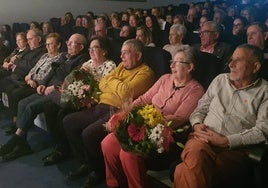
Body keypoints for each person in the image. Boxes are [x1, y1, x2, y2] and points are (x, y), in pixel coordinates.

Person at [101, 45, 205, 188]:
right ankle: (115, 184)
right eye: (171, 62)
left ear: (190, 67)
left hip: (164, 134)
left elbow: (178, 119)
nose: (172, 65)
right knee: (107, 143)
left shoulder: (196, 90)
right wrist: (125, 113)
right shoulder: (165, 79)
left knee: (128, 154)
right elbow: (144, 99)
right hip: (142, 125)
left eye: (177, 62)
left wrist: (146, 121)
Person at [173, 44, 268, 188]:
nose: (230, 64)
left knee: (182, 170)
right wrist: (197, 124)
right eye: (231, 60)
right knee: (197, 152)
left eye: (238, 60)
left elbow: (262, 131)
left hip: (234, 150)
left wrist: (226, 141)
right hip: (202, 138)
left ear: (255, 67)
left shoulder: (264, 91)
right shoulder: (220, 80)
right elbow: (200, 108)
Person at [63, 39, 155, 187]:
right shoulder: (121, 67)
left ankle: (97, 171)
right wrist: (115, 83)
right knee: (69, 121)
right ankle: (86, 163)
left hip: (117, 110)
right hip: (100, 105)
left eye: (126, 53)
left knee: (89, 134)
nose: (121, 57)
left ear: (138, 55)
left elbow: (126, 93)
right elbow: (102, 83)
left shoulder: (146, 72)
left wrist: (112, 81)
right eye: (121, 53)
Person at [0, 33, 89, 162]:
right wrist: (42, 84)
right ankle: (21, 143)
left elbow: (72, 79)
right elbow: (52, 71)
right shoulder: (66, 56)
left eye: (72, 43)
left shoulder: (82, 60)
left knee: (30, 107)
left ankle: (17, 140)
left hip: (58, 91)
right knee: (22, 103)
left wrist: (53, 87)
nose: (68, 45)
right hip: (47, 87)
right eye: (68, 42)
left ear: (81, 47)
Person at [42, 36, 116, 166]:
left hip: (94, 100)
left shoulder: (110, 65)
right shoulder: (88, 63)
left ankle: (73, 154)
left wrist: (89, 77)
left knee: (62, 114)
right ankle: (62, 148)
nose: (91, 51)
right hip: (79, 97)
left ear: (104, 51)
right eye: (90, 48)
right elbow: (75, 79)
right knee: (49, 108)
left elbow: (104, 86)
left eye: (95, 48)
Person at [4, 33, 63, 135]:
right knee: (18, 98)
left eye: (50, 44)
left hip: (38, 85)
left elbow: (47, 76)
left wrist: (32, 79)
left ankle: (18, 133)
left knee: (18, 96)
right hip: (31, 82)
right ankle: (19, 131)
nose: (47, 47)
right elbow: (33, 70)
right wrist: (29, 77)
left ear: (58, 45)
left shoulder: (60, 58)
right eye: (47, 44)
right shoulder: (45, 55)